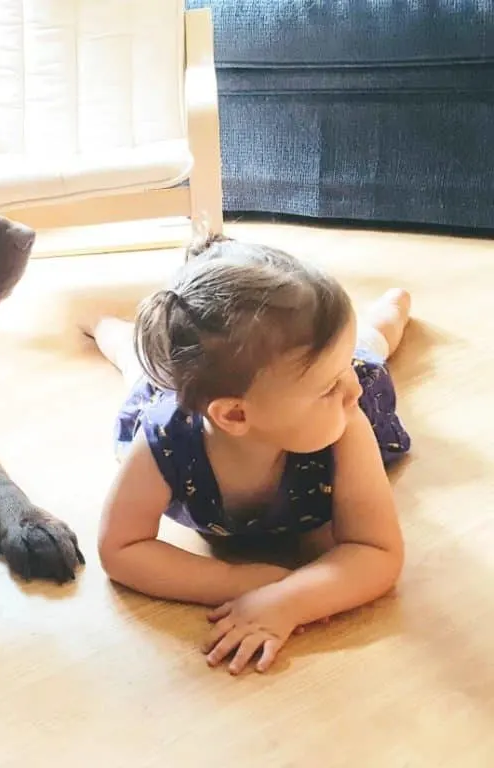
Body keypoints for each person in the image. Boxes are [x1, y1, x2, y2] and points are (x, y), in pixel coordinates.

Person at [89, 234, 412, 675]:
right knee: (143, 372)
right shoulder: (164, 438)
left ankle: (385, 318)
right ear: (236, 415)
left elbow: (377, 550)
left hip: (248, 392)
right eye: (328, 387)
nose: (351, 390)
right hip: (189, 397)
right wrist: (240, 581)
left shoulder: (346, 416)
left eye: (341, 378)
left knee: (369, 351)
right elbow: (120, 548)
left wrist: (288, 600)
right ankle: (111, 329)